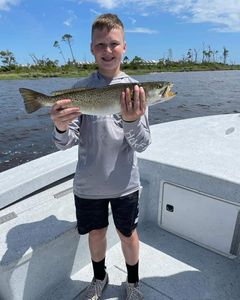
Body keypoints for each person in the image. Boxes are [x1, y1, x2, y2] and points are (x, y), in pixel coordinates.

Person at [50, 13, 151, 300]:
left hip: (125, 185)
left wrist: (131, 121)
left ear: (124, 47)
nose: (108, 50)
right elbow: (65, 142)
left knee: (128, 235)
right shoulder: (78, 90)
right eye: (101, 45)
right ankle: (99, 277)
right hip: (88, 185)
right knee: (96, 234)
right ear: (92, 48)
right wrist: (59, 126)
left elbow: (142, 145)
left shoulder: (137, 91)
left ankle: (132, 283)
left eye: (114, 43)